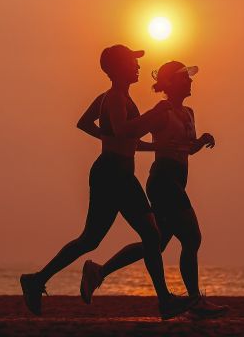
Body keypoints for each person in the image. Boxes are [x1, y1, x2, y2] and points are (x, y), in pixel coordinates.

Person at [20, 45, 193, 320]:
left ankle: (36, 280)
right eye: (132, 63)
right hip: (111, 175)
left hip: (123, 174)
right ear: (118, 68)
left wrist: (141, 143)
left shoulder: (116, 97)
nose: (137, 67)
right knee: (114, 238)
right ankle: (164, 301)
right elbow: (124, 130)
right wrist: (147, 119)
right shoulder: (113, 98)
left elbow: (90, 125)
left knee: (135, 236)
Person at [79, 61, 229, 318]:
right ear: (170, 83)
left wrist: (202, 141)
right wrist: (115, 137)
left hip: (178, 179)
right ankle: (195, 301)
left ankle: (98, 271)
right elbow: (131, 136)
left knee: (155, 244)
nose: (190, 82)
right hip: (163, 181)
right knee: (192, 237)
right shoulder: (161, 112)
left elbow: (187, 148)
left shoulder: (189, 112)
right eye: (185, 78)